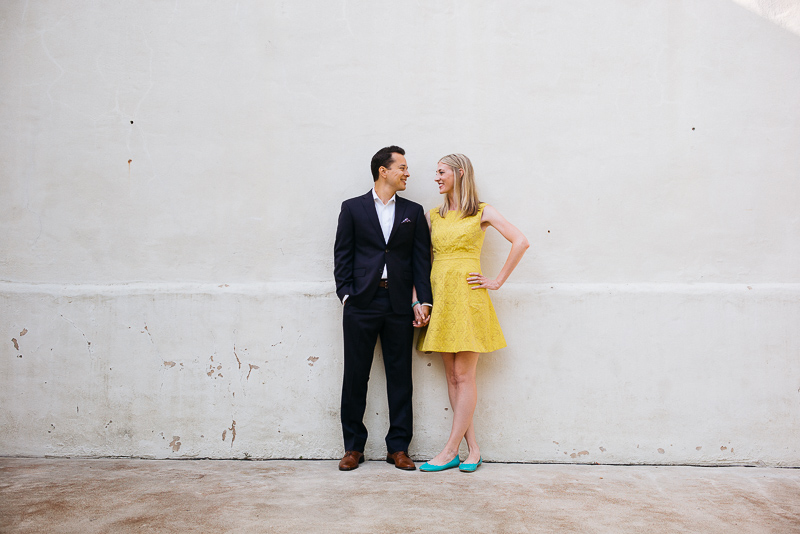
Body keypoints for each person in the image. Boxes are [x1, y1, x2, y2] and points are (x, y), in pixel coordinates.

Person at [417, 153, 529, 473]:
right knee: (452, 377)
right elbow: (421, 261)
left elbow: (520, 241)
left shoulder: (481, 211)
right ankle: (473, 450)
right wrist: (419, 299)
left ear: (460, 172)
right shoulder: (433, 216)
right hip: (441, 297)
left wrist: (497, 280)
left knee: (464, 376)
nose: (436, 178)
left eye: (441, 172)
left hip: (468, 298)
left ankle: (450, 449)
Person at [333, 145, 433, 471]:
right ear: (383, 171)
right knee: (355, 377)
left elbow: (421, 261)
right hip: (361, 303)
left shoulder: (413, 212)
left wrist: (423, 300)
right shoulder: (352, 208)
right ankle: (353, 448)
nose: (407, 173)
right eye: (402, 167)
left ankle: (398, 448)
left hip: (399, 304)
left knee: (401, 378)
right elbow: (342, 255)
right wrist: (346, 295)